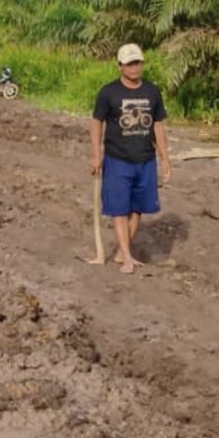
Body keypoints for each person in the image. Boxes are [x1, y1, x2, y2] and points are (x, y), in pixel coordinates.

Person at [88, 43, 172, 274]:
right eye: (129, 64)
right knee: (118, 208)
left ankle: (121, 252)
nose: (134, 68)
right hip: (117, 160)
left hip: (145, 160)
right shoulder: (108, 93)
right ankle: (126, 256)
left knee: (137, 209)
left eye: (137, 63)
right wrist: (96, 155)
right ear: (120, 66)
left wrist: (165, 158)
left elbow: (158, 125)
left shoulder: (152, 91)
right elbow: (97, 123)